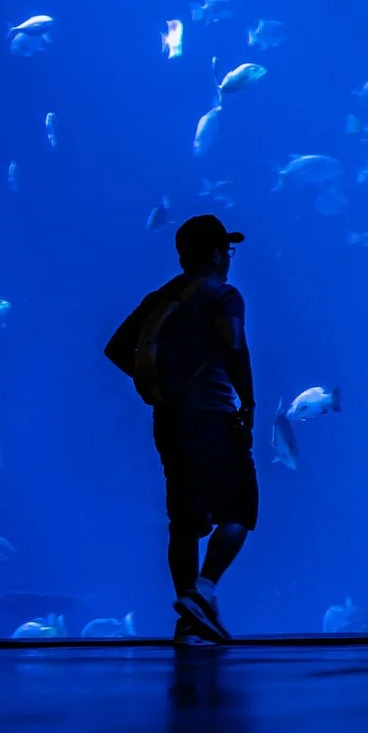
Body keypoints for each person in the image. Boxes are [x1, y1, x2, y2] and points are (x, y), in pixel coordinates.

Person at [105, 214, 256, 644]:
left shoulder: (162, 296)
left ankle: (189, 617)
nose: (229, 258)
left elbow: (116, 346)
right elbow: (235, 347)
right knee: (239, 510)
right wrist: (249, 401)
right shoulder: (223, 295)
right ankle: (204, 590)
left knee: (185, 523)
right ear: (214, 253)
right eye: (226, 250)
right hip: (213, 416)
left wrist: (153, 384)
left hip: (169, 419)